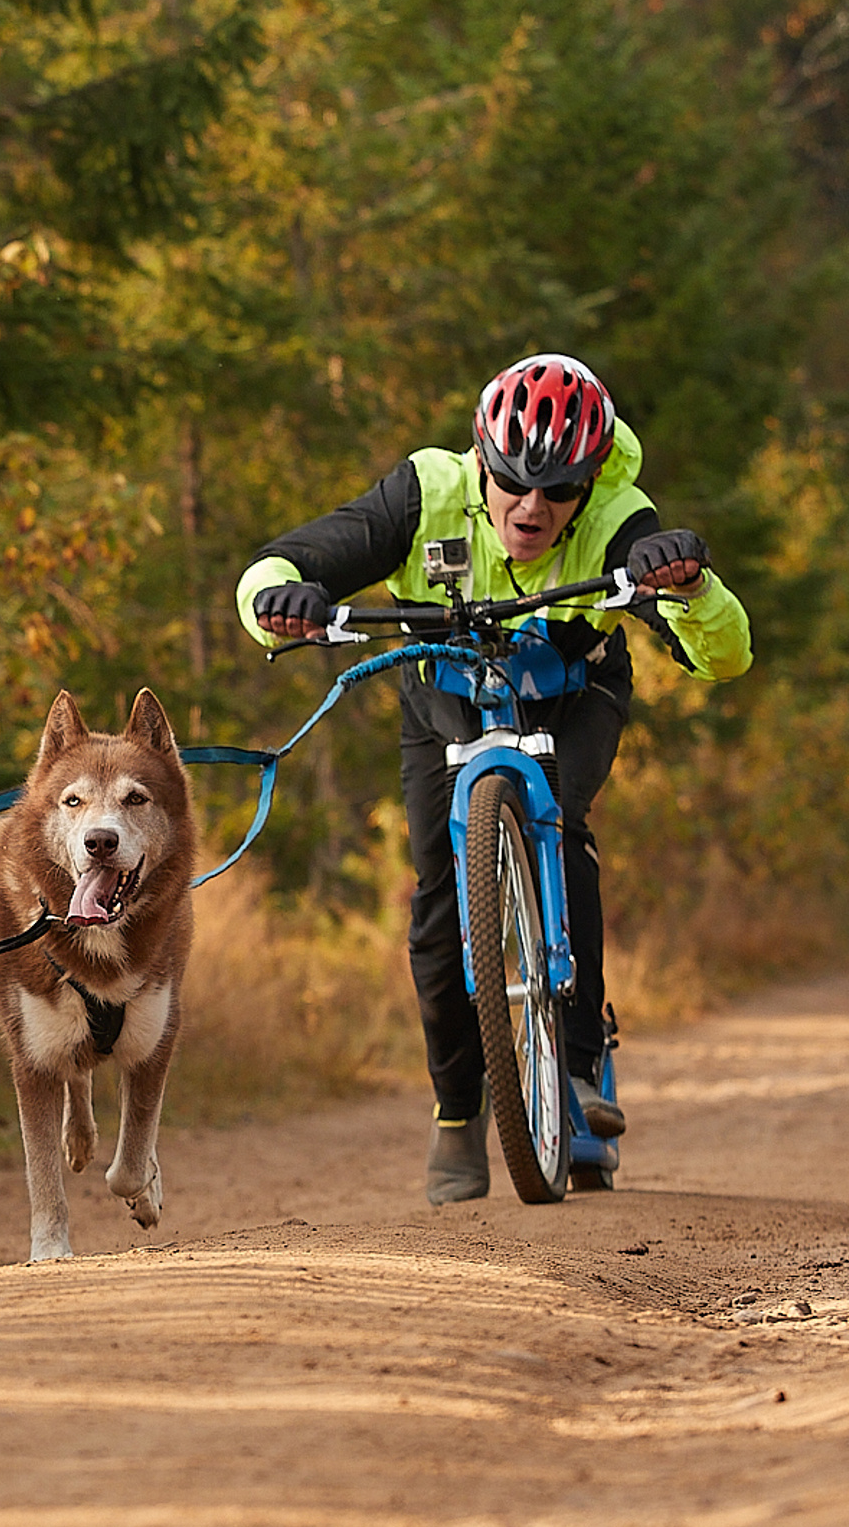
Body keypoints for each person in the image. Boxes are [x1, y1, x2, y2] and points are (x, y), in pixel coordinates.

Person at [235, 354, 752, 1203]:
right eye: (513, 484)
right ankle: (455, 1111)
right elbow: (280, 564)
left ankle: (579, 1066)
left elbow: (724, 655)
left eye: (559, 492)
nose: (533, 508)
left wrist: (689, 586)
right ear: (483, 462)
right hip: (443, 699)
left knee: (565, 826)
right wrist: (280, 599)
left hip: (572, 696)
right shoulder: (425, 491)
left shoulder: (620, 513)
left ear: (590, 481)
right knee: (438, 899)